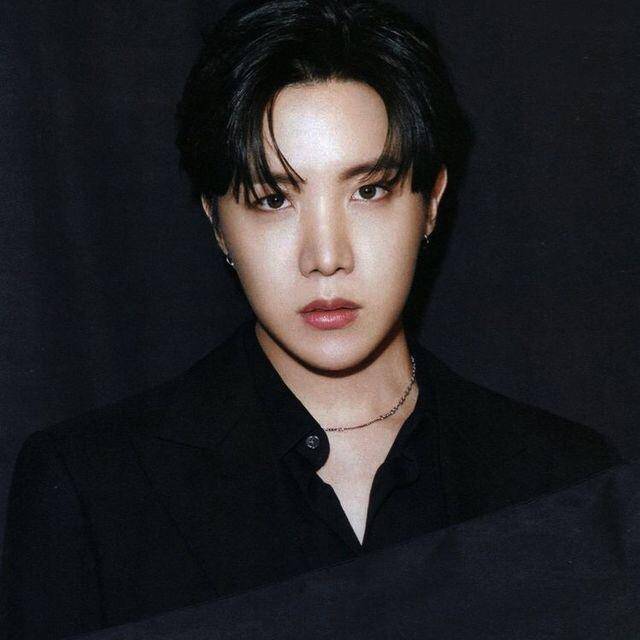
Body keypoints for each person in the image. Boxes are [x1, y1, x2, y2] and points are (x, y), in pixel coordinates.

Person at [0, 0, 621, 638]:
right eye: (273, 199)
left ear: (431, 202)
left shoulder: (565, 482)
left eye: (369, 191)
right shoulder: (95, 488)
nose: (326, 257)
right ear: (217, 223)